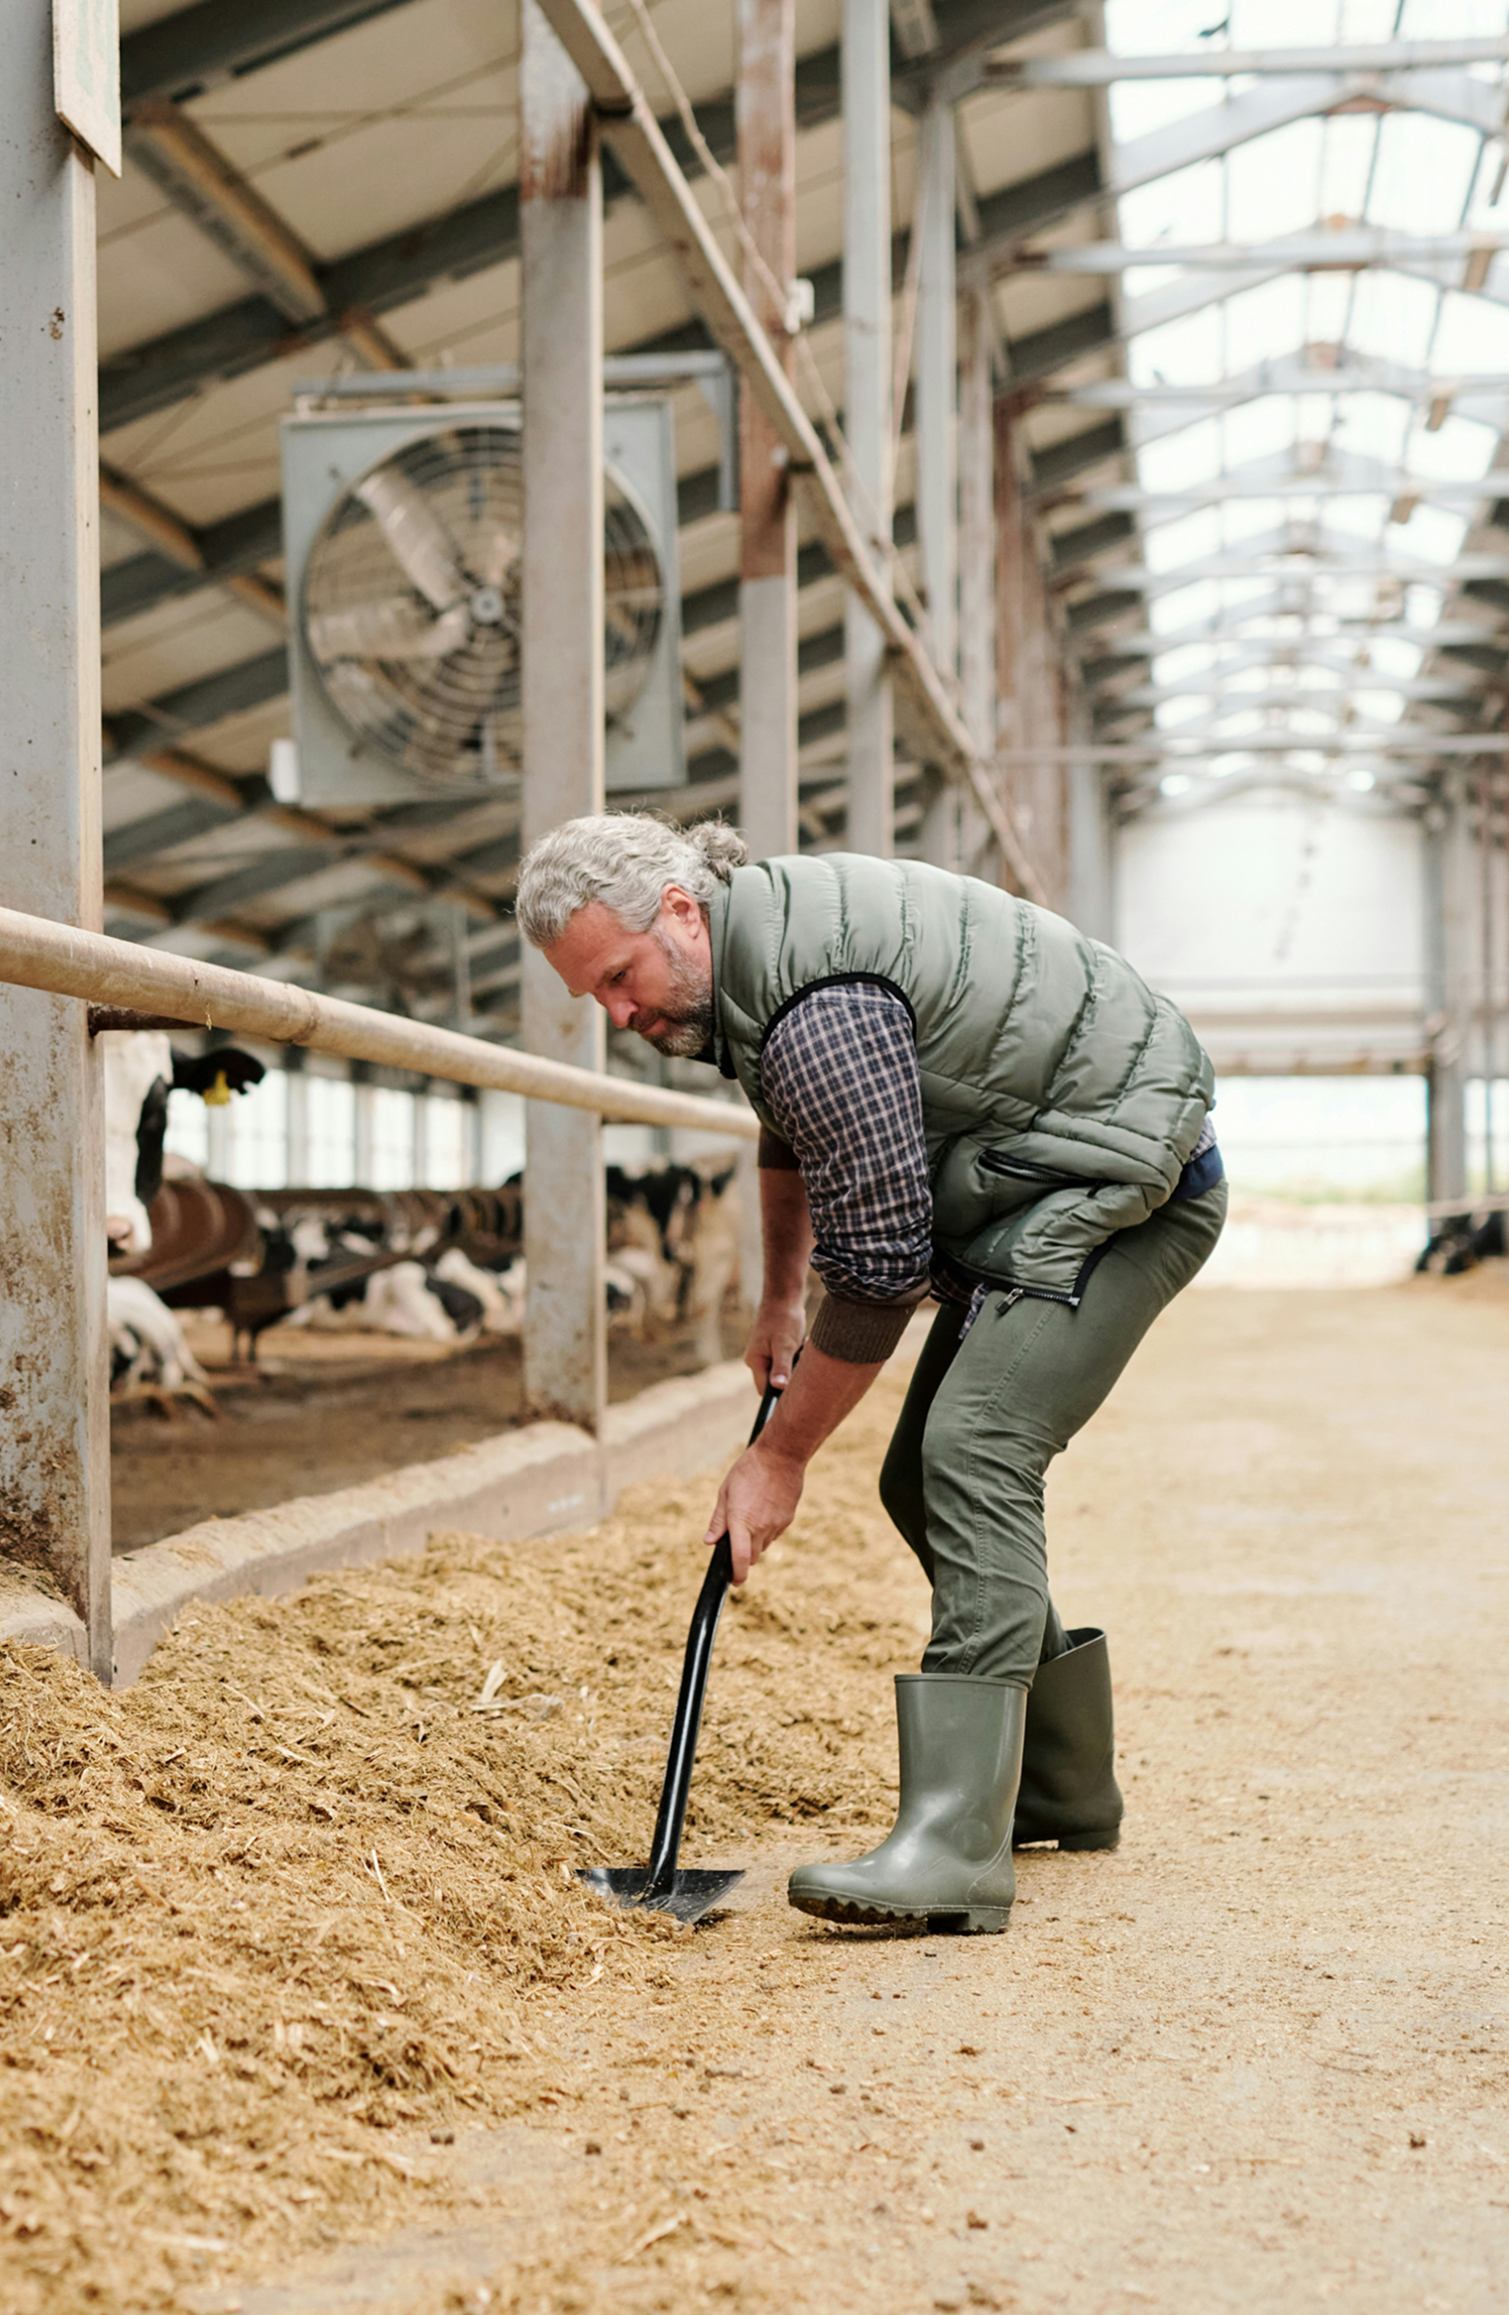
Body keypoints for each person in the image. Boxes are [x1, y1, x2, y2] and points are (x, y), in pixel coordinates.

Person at [515, 813, 1222, 1934]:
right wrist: (778, 1301)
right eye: (591, 998)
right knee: (915, 1478)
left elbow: (886, 1264)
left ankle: (954, 1845)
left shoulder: (810, 1004)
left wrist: (776, 1457)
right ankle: (1060, 1786)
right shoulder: (756, 964)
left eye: (617, 977)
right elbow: (788, 1132)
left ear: (681, 915)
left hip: (1122, 1186)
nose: (616, 1014)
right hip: (1042, 1174)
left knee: (972, 1448)